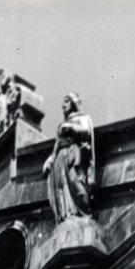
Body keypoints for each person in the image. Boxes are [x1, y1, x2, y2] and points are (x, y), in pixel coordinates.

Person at [44, 93, 93, 222]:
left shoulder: (81, 118)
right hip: (60, 158)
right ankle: (67, 214)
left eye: (66, 101)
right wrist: (50, 160)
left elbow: (86, 131)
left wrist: (72, 127)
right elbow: (57, 145)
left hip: (73, 154)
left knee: (74, 181)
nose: (63, 105)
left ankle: (84, 213)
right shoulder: (62, 124)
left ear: (73, 102)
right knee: (61, 187)